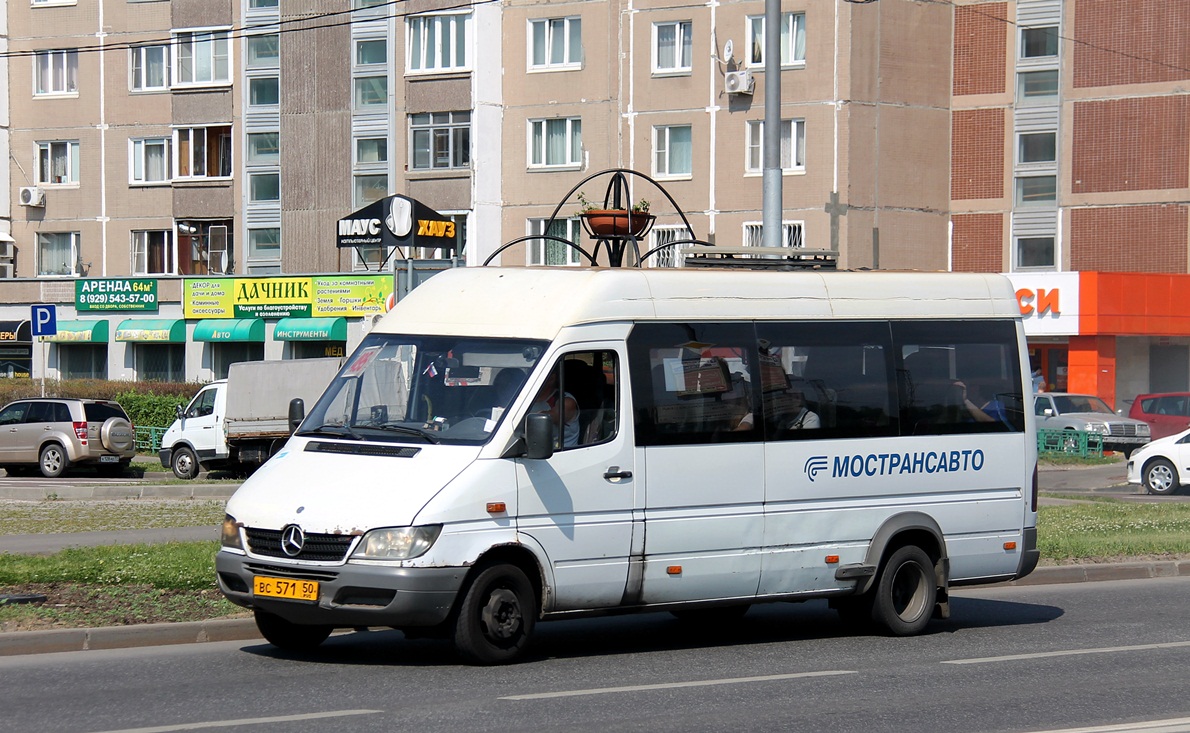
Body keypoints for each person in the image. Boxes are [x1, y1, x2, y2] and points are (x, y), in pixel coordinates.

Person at [531, 367, 580, 448]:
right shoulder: (526, 400)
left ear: (552, 378)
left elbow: (550, 417)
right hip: (532, 452)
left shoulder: (566, 401)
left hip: (562, 456)